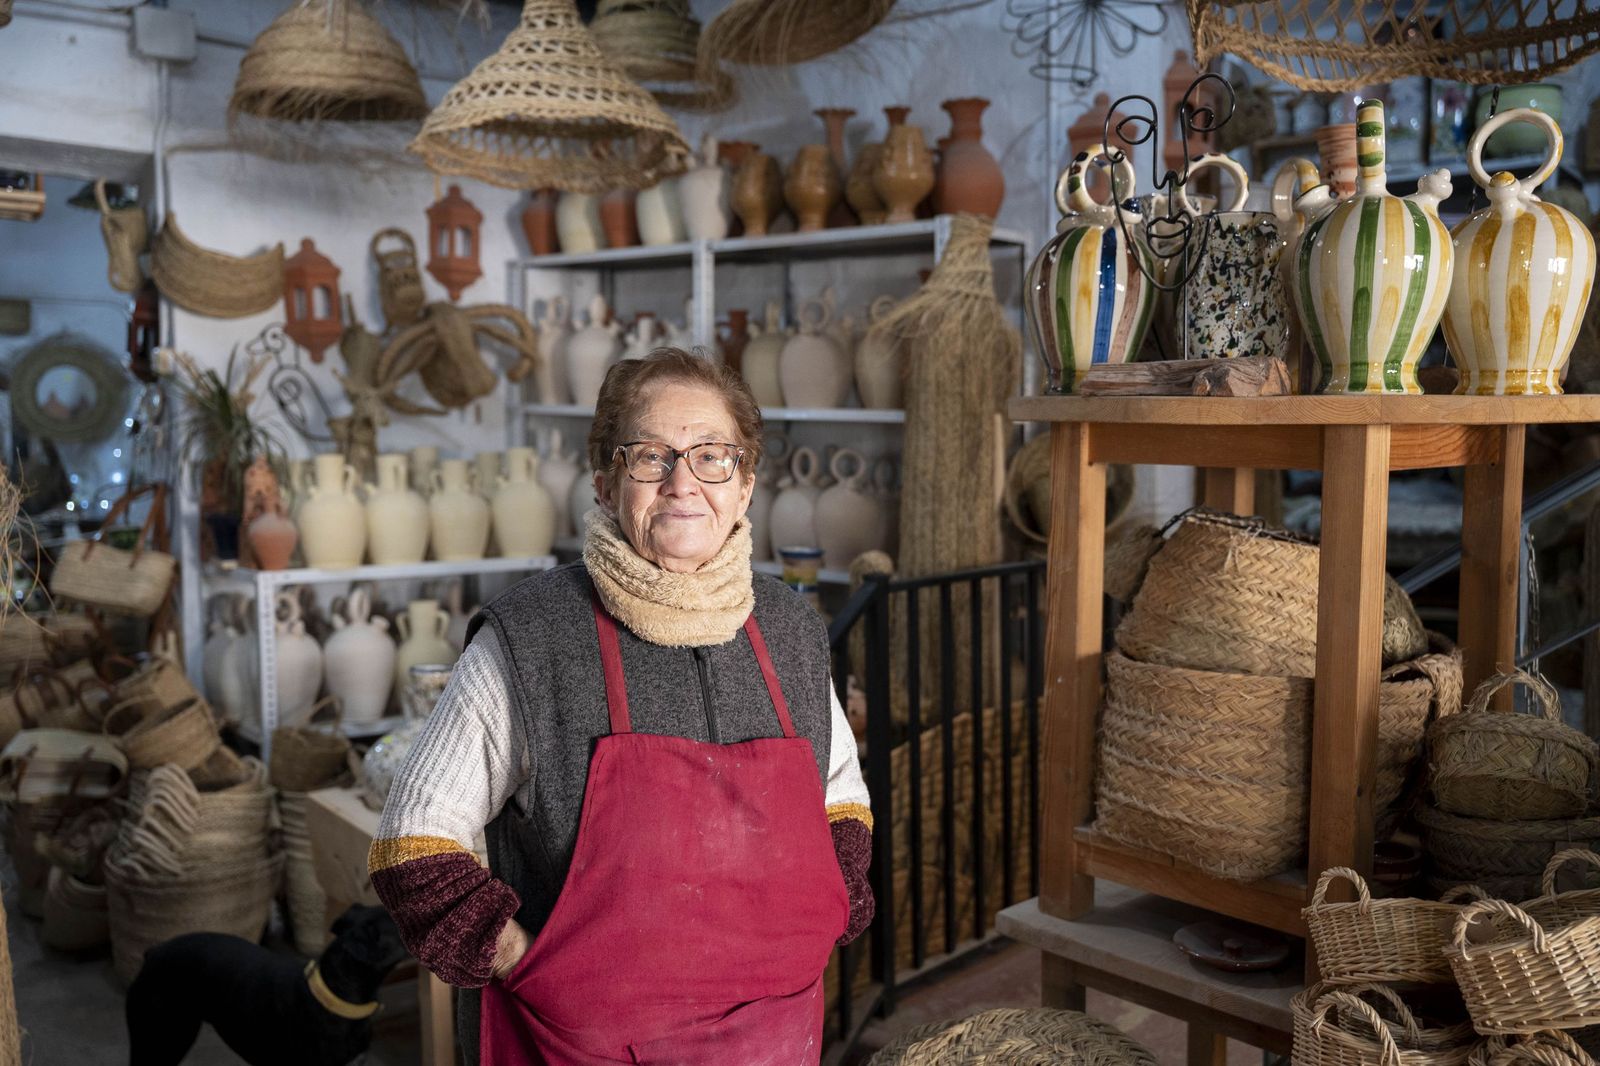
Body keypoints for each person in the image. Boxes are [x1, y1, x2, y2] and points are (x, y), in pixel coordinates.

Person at [369, 348, 874, 1064]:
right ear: (607, 484)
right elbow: (413, 844)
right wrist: (527, 965)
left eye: (711, 456)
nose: (682, 484)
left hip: (772, 1039)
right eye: (649, 457)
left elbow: (841, 798)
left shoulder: (791, 633)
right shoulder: (533, 637)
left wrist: (830, 914)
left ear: (745, 484)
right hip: (581, 1046)